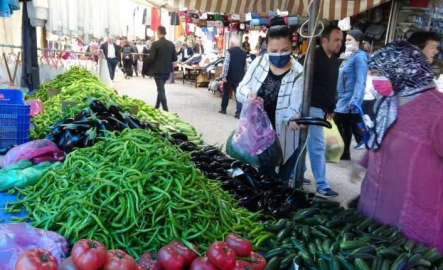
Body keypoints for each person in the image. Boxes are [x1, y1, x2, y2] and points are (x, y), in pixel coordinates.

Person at [358, 41, 443, 253]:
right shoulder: (388, 101)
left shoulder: (437, 109)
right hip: (374, 206)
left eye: (379, 72)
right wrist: (363, 163)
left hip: (414, 216)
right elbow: (379, 140)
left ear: (399, 70)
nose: (375, 78)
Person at [236, 16, 305, 182]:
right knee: (256, 180)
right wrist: (248, 94)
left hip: (285, 141)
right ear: (267, 47)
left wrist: (293, 118)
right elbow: (240, 88)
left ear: (292, 46)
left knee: (278, 186)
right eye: (274, 51)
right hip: (257, 138)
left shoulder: (299, 73)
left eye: (284, 50)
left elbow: (294, 107)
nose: (279, 55)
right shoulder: (259, 62)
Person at [298, 26, 342, 198]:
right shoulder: (311, 57)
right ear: (325, 40)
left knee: (308, 143)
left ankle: (298, 173)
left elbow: (331, 86)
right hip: (311, 106)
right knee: (317, 146)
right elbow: (300, 83)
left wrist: (331, 107)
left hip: (323, 109)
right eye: (336, 40)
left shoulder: (334, 59)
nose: (340, 43)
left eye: (341, 40)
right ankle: (322, 185)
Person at [334, 29, 369, 160]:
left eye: (350, 40)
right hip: (343, 96)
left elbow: (361, 80)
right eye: (346, 40)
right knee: (346, 125)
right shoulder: (351, 56)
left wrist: (355, 99)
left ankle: (336, 149)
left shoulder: (359, 58)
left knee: (335, 122)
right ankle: (345, 153)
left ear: (358, 42)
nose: (346, 42)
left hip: (348, 98)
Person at [148, 26, 178, 111]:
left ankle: (165, 109)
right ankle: (157, 105)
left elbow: (151, 58)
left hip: (157, 70)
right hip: (167, 71)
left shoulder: (155, 44)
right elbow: (174, 59)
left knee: (161, 89)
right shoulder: (171, 44)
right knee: (160, 88)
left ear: (158, 32)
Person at [219, 37, 247, 118]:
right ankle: (238, 113)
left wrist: (223, 76)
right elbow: (245, 66)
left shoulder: (229, 52)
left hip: (229, 76)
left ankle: (223, 109)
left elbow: (226, 64)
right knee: (238, 95)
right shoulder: (243, 53)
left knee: (226, 93)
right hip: (240, 77)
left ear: (231, 43)